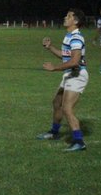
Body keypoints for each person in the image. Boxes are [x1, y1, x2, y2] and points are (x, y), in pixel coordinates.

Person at [37, 8, 89, 151]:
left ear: (76, 21)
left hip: (77, 75)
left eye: (69, 16)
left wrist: (54, 68)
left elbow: (75, 61)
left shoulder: (76, 38)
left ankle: (79, 141)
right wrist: (50, 47)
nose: (65, 17)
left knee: (67, 108)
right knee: (56, 102)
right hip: (69, 74)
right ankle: (54, 132)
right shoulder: (69, 36)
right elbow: (65, 55)